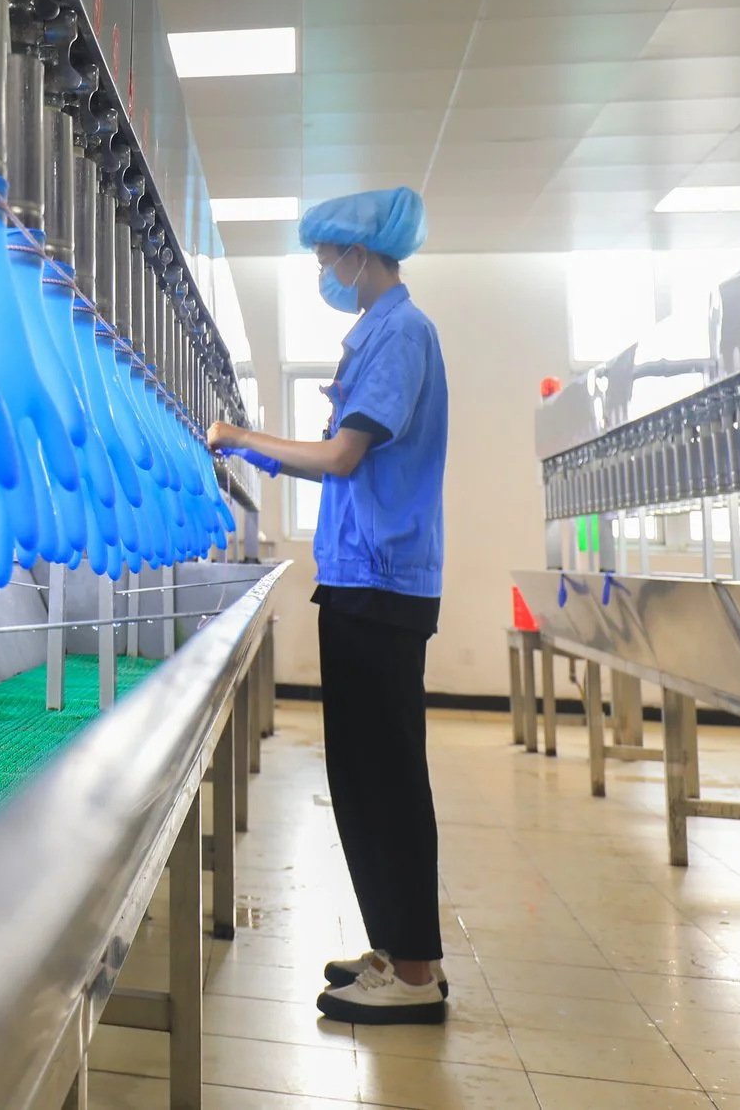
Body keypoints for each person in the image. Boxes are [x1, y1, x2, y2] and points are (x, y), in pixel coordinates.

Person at [204, 186, 449, 1026]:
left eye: (328, 257)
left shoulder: (402, 333)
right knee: (363, 775)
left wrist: (245, 441)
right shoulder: (381, 334)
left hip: (380, 582)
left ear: (364, 253)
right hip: (364, 577)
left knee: (384, 778)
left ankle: (415, 973)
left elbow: (344, 458)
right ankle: (396, 946)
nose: (326, 272)